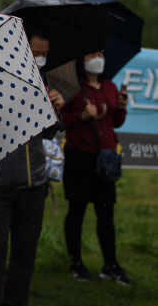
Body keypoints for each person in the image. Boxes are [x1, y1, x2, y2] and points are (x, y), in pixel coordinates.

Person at [0, 28, 64, 306]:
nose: (39, 59)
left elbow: (46, 134)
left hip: (34, 181)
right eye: (35, 53)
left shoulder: (45, 79)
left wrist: (55, 111)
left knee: (26, 251)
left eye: (44, 55)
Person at [60, 51, 132, 285]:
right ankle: (76, 262)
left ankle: (110, 265)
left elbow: (116, 121)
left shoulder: (110, 87)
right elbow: (62, 120)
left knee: (106, 211)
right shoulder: (73, 87)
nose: (98, 58)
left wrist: (121, 107)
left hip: (105, 158)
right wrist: (81, 114)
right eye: (92, 54)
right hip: (78, 156)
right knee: (77, 210)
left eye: (101, 54)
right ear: (82, 60)